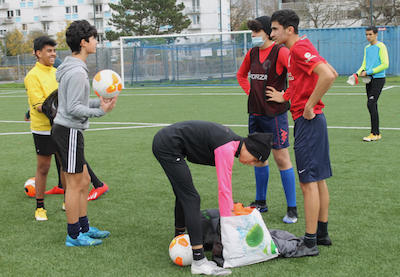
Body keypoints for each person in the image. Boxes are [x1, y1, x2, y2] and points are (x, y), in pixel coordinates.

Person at [152, 120, 273, 276]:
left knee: (183, 193)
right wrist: (229, 223)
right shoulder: (227, 147)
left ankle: (180, 237)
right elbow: (224, 190)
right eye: (255, 159)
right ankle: (199, 261)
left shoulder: (232, 143)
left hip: (169, 143)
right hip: (167, 145)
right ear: (251, 149)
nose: (252, 164)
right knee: (191, 198)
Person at [267, 9, 338, 257]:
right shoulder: (302, 47)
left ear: (289, 30)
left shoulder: (297, 49)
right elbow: (329, 73)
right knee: (318, 180)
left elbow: (328, 75)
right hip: (314, 122)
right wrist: (288, 96)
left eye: (275, 29)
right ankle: (321, 234)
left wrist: (309, 105)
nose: (271, 33)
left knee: (307, 184)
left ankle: (309, 243)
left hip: (309, 121)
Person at [51, 20, 117, 246]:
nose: (96, 42)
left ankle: (84, 227)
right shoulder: (77, 71)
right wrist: (102, 110)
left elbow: (73, 101)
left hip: (69, 131)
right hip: (68, 131)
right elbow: (73, 109)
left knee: (85, 179)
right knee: (74, 184)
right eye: (94, 38)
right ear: (83, 42)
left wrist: (97, 103)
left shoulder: (72, 67)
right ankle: (74, 235)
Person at [236, 15, 297, 224]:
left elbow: (297, 75)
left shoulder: (281, 52)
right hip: (255, 114)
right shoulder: (252, 53)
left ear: (268, 32)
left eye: (256, 33)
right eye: (252, 33)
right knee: (258, 158)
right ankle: (260, 202)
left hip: (275, 116)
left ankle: (292, 209)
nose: (253, 36)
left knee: (281, 159)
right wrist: (250, 91)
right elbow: (241, 75)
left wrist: (285, 96)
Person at [24, 36, 59, 221]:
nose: (53, 53)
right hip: (43, 129)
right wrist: (53, 109)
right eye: (49, 50)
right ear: (38, 53)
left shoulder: (57, 72)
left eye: (54, 50)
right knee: (44, 168)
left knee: (65, 165)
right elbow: (39, 105)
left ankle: (67, 200)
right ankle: (40, 207)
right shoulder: (32, 76)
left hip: (61, 127)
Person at [355, 26, 389, 142]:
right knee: (372, 105)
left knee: (371, 103)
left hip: (378, 79)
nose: (368, 37)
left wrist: (369, 72)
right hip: (369, 80)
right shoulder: (367, 48)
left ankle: (374, 133)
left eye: (370, 34)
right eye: (366, 34)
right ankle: (376, 133)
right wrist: (357, 72)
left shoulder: (381, 46)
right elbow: (364, 62)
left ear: (376, 34)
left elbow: (385, 64)